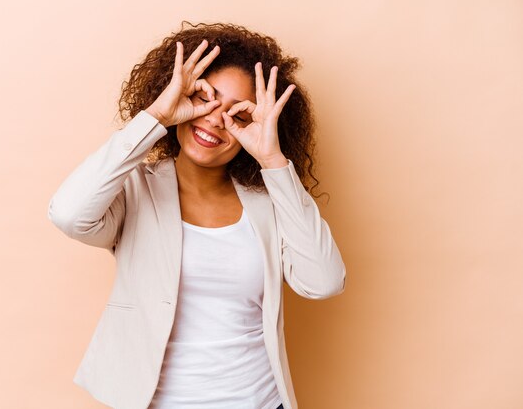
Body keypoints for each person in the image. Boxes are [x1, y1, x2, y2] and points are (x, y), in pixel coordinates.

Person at [48, 21, 346, 409]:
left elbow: (323, 282)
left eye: (238, 114)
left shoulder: (269, 201)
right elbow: (69, 215)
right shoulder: (136, 190)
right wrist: (156, 117)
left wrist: (273, 161)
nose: (215, 119)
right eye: (207, 98)